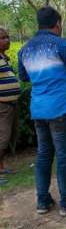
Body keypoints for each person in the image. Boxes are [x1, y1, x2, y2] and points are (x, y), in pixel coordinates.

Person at [18, 6, 66, 216]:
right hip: (61, 108)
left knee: (43, 155)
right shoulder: (60, 44)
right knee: (64, 156)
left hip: (39, 109)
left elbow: (23, 77)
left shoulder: (25, 48)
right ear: (57, 24)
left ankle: (43, 201)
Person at [0, 28, 20, 185]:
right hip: (2, 105)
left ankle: (1, 167)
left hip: (11, 104)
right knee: (3, 138)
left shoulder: (4, 58)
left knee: (10, 136)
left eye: (7, 37)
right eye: (2, 38)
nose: (7, 40)